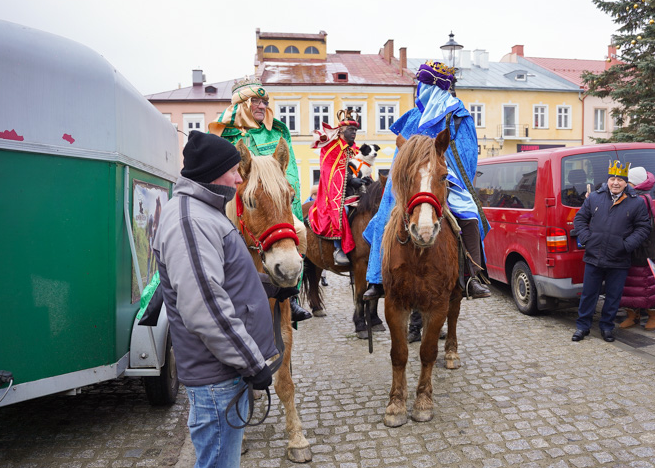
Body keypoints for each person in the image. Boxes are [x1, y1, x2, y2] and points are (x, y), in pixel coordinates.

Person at [151, 131, 278, 468]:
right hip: (219, 377)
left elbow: (221, 278)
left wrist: (269, 289)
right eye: (233, 171)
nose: (240, 180)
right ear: (211, 174)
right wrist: (253, 364)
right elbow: (205, 307)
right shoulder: (191, 220)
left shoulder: (201, 212)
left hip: (223, 373)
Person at [363, 61, 491, 301]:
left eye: (421, 84)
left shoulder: (458, 115)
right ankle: (377, 278)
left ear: (432, 86)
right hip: (410, 179)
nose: (418, 90)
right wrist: (403, 175)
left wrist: (442, 172)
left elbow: (466, 154)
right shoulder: (414, 116)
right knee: (385, 212)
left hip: (443, 177)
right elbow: (400, 153)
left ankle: (472, 276)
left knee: (469, 212)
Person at [210, 77, 312, 322]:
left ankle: (290, 293)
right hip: (234, 202)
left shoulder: (275, 132)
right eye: (255, 101)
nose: (261, 106)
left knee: (300, 231)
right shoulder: (222, 135)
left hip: (271, 205)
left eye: (264, 101)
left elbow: (288, 171)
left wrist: (282, 194)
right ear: (241, 104)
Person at [572, 161, 651, 343]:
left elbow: (643, 228)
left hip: (619, 258)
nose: (615, 183)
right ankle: (582, 326)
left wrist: (626, 245)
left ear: (626, 182)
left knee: (613, 296)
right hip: (594, 256)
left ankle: (607, 327)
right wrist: (587, 239)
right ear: (608, 180)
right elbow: (580, 219)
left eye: (620, 180)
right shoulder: (594, 198)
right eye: (612, 179)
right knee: (588, 294)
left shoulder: (636, 202)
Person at [308, 109, 367, 266]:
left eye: (355, 129)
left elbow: (357, 167)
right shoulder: (332, 147)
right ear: (341, 130)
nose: (354, 132)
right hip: (334, 193)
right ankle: (338, 247)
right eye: (351, 129)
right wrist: (350, 180)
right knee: (342, 210)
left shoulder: (354, 148)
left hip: (352, 191)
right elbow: (331, 171)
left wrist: (363, 178)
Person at [616, 167, 655, 331]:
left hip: (642, 249)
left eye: (626, 181)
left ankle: (653, 315)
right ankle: (632, 315)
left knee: (646, 284)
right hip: (630, 249)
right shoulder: (632, 196)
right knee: (630, 285)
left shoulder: (641, 199)